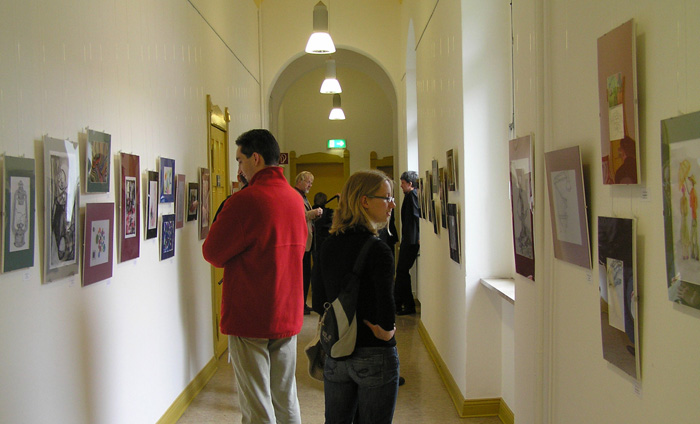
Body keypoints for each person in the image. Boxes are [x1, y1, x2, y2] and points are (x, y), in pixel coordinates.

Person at [201, 129, 307, 424]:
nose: (238, 168)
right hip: (287, 310)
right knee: (286, 397)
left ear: (255, 158)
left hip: (250, 314)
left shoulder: (244, 201)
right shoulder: (295, 199)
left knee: (256, 404)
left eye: (240, 160)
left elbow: (212, 253)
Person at [316, 170, 399, 423]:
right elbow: (386, 308)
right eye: (386, 198)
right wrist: (387, 331)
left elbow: (319, 299)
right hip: (373, 353)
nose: (392, 205)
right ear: (364, 201)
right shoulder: (378, 249)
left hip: (337, 352)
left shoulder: (328, 244)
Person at [294, 171, 323, 314]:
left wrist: (315, 215)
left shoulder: (304, 197)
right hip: (301, 242)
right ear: (299, 181)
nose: (310, 185)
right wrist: (313, 213)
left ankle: (303, 304)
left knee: (306, 275)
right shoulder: (295, 196)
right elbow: (297, 216)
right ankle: (300, 305)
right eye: (308, 182)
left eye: (311, 183)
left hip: (308, 241)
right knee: (302, 275)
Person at [395, 170, 420, 315]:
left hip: (411, 240)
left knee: (402, 272)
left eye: (403, 183)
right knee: (401, 272)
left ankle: (407, 305)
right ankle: (400, 303)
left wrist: (419, 236)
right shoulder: (410, 196)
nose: (401, 186)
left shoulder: (412, 196)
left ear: (410, 184)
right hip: (409, 239)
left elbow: (416, 217)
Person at [311, 191, 335, 314]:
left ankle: (316, 297)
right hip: (324, 246)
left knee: (315, 271)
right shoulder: (329, 213)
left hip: (314, 245)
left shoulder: (311, 211)